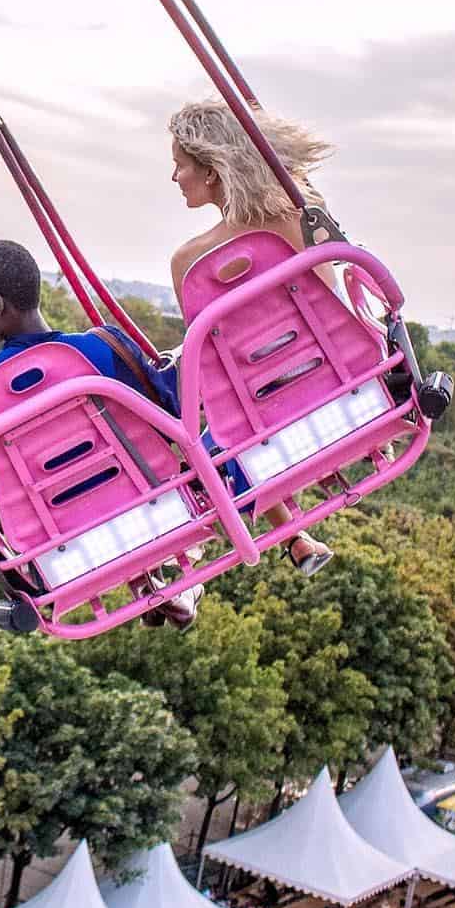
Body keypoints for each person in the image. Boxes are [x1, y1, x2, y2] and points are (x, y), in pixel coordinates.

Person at [0, 239, 204, 632]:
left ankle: (150, 581)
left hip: (58, 543)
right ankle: (157, 579)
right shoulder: (103, 350)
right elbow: (165, 417)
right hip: (152, 510)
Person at [168, 100, 334, 577]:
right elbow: (334, 300)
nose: (174, 177)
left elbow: (215, 365)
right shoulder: (302, 215)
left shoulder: (191, 263)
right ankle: (297, 537)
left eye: (180, 165)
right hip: (335, 378)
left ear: (211, 169)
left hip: (264, 409)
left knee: (203, 444)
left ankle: (292, 536)